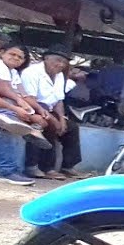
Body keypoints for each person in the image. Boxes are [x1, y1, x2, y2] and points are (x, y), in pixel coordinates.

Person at [0, 43, 50, 185]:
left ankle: (30, 128)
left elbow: (24, 95)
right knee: (5, 127)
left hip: (9, 106)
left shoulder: (14, 72)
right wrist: (20, 106)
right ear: (2, 53)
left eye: (20, 57)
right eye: (12, 54)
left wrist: (38, 110)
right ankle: (6, 172)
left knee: (37, 119)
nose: (16, 58)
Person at [21, 47, 83, 180]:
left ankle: (68, 166)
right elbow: (29, 98)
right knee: (46, 126)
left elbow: (58, 100)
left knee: (71, 128)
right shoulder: (31, 72)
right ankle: (37, 167)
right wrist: (53, 120)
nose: (61, 65)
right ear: (46, 58)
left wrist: (62, 118)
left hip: (49, 109)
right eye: (58, 60)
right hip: (31, 108)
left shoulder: (60, 76)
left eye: (64, 62)